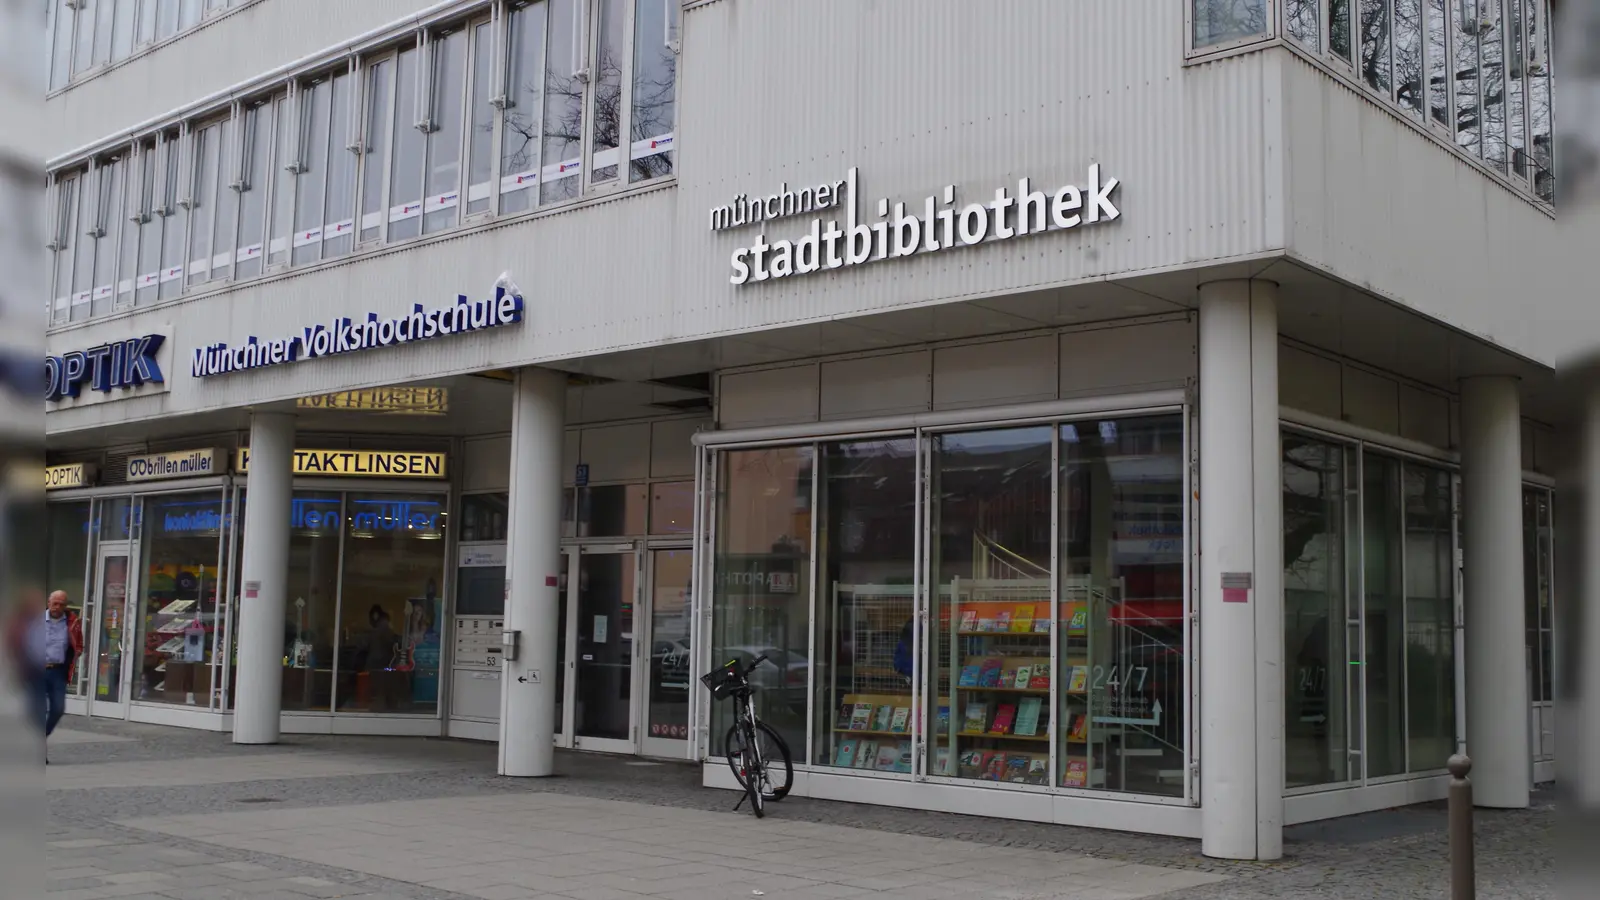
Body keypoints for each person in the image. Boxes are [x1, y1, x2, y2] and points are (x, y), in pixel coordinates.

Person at [29, 591, 85, 760]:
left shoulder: (72, 623)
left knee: (58, 708)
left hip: (58, 671)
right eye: (55, 603)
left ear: (66, 605)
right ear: (48, 602)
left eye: (61, 604)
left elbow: (79, 644)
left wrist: (75, 655)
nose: (57, 607)